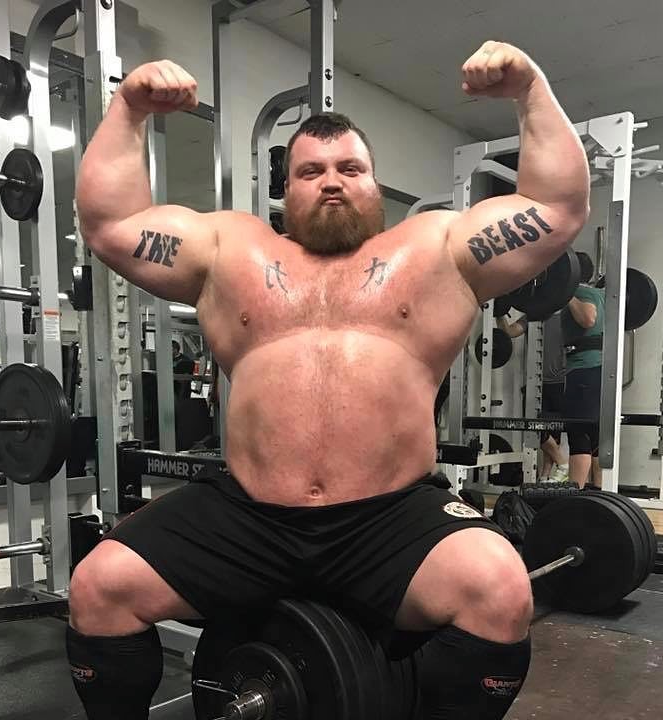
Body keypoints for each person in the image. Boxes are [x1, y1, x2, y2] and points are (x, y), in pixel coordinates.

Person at [68, 41, 590, 720]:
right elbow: (109, 224)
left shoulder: (436, 249)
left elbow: (557, 207)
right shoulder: (230, 250)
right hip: (247, 515)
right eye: (311, 171)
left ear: (376, 181)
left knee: (499, 589)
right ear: (287, 190)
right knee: (99, 585)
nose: (332, 180)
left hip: (388, 517)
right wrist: (128, 109)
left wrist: (530, 89)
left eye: (351, 167)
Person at [497, 309, 568, 482]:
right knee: (535, 429)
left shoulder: (568, 317)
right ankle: (563, 463)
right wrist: (499, 312)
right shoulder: (533, 314)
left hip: (562, 382)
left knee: (553, 433)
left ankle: (546, 476)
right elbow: (509, 332)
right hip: (536, 382)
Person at [560, 251, 605, 488]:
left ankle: (573, 496)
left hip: (584, 370)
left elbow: (588, 318)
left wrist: (565, 292)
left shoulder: (579, 293)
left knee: (579, 433)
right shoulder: (604, 294)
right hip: (600, 372)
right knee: (596, 434)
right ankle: (598, 493)